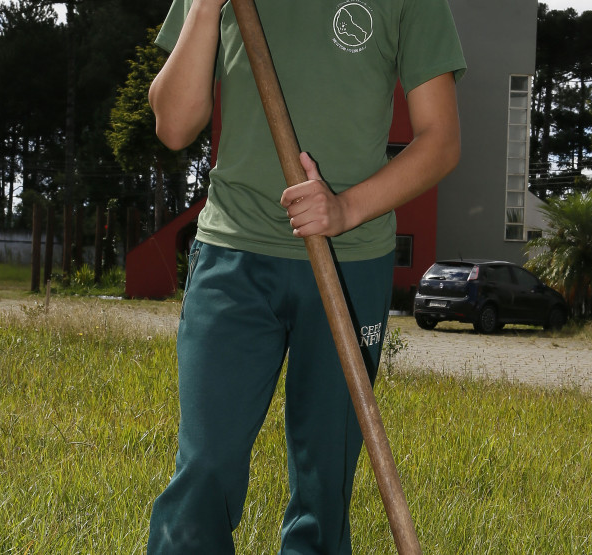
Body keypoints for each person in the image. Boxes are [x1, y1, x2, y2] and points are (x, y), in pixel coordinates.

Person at [146, 0, 465, 552]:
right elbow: (174, 126)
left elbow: (441, 140)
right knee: (205, 471)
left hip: (350, 260)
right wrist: (205, 6)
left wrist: (344, 209)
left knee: (324, 485)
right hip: (235, 254)